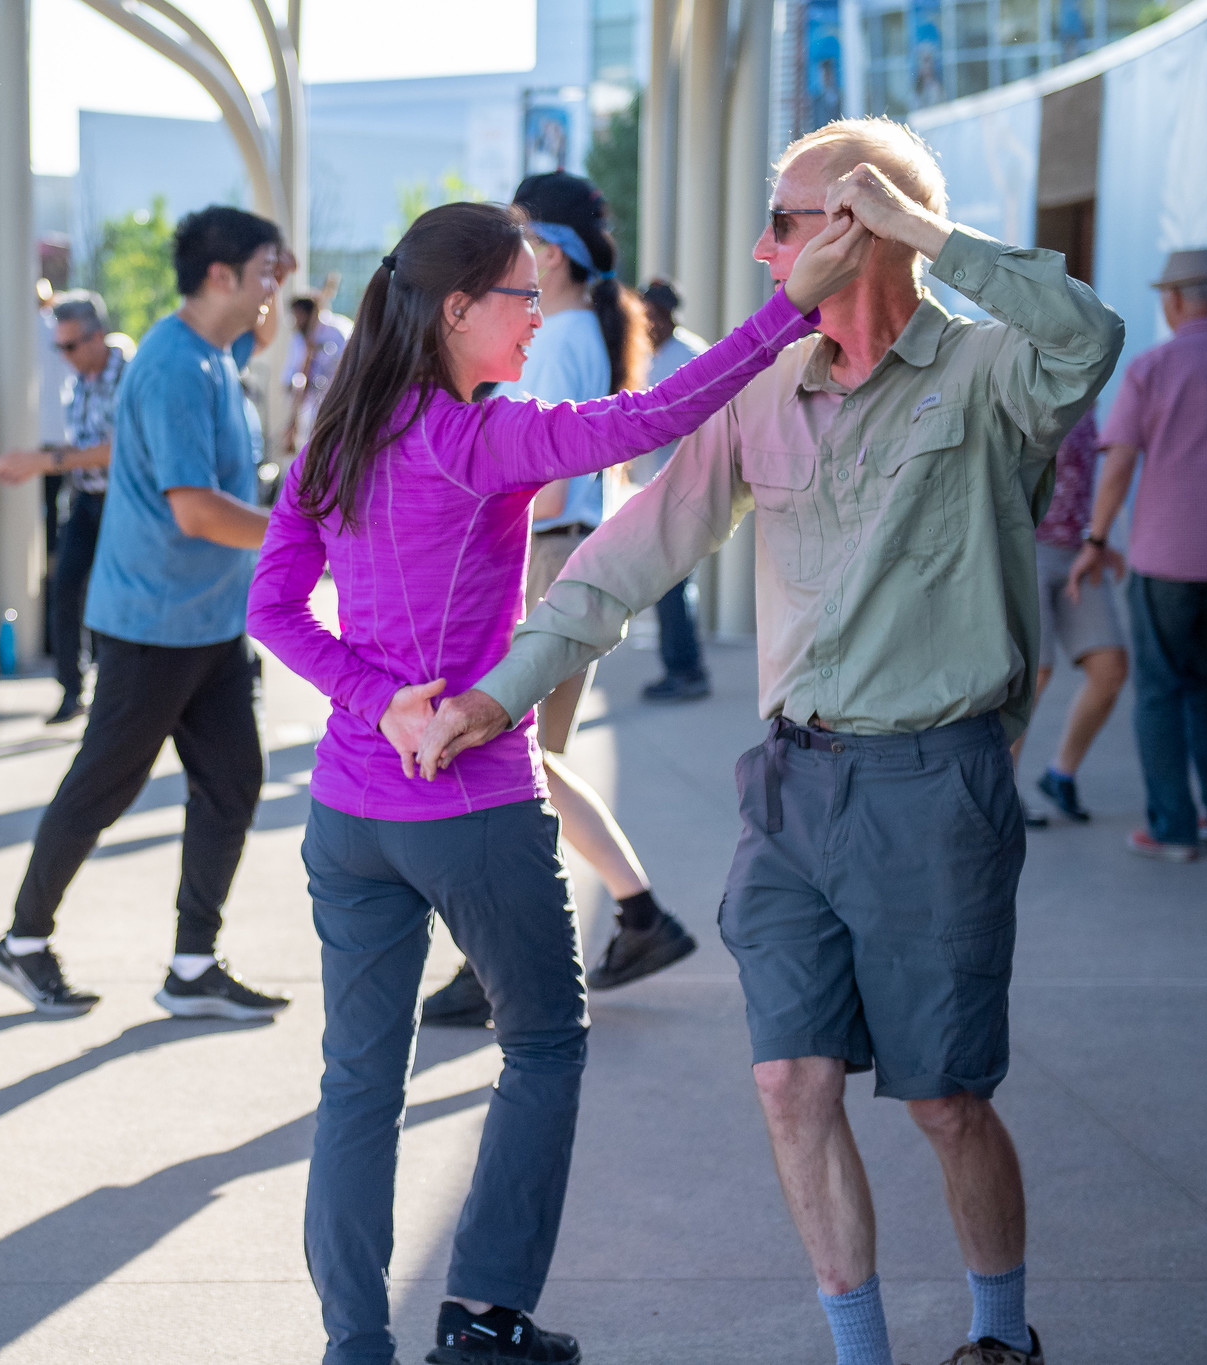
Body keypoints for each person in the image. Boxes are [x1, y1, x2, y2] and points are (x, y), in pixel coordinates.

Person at [420, 119, 1126, 1365]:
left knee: (945, 1101)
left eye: (789, 221)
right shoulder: (760, 391)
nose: (760, 247)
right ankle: (858, 1351)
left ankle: (999, 1337)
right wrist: (500, 692)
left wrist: (933, 236)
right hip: (791, 788)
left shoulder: (984, 373)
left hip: (935, 781)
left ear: (870, 227)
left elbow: (1089, 335)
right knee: (788, 1082)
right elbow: (622, 559)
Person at [251, 198, 864, 1365]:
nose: (538, 316)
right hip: (470, 806)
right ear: (456, 309)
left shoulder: (334, 438)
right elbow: (661, 411)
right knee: (540, 1045)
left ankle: (353, 1344)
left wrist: (375, 699)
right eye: (522, 296)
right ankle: (481, 1318)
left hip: (348, 814)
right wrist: (786, 314)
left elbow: (273, 611)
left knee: (356, 1083)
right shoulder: (473, 437)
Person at [0, 206, 289, 1021]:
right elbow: (195, 510)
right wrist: (312, 540)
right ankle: (21, 942)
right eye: (265, 269)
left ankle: (193, 964)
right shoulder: (172, 367)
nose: (275, 284)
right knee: (103, 784)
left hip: (209, 620)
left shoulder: (215, 355)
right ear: (221, 275)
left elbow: (247, 370)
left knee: (232, 782)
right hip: (150, 620)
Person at [420, 172, 699, 1033]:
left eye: (515, 246)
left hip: (549, 558)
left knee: (513, 766)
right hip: (567, 555)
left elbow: (537, 482)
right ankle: (617, 922)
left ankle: (611, 922)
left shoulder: (558, 337)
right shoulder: (584, 330)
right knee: (525, 764)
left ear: (545, 252)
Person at [1070, 248, 1207, 861]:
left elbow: (1117, 465)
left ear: (1172, 301)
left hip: (1167, 556)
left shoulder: (1153, 367)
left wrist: (1095, 540)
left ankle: (1172, 828)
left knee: (1160, 690)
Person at [0, 291, 128, 724]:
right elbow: (83, 447)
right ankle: (71, 690)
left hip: (122, 504)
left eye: (70, 346)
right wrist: (27, 460)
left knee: (112, 599)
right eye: (58, 346)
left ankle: (112, 694)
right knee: (64, 589)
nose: (63, 355)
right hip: (84, 498)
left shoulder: (130, 377)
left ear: (97, 336)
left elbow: (120, 450)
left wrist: (48, 461)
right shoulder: (78, 379)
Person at [1012, 411, 1127, 826]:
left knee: (1111, 669)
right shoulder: (1023, 382)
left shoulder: (1090, 399)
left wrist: (1097, 539)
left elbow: (1081, 480)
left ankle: (1060, 775)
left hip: (1077, 549)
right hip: (1026, 546)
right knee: (1034, 672)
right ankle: (1002, 790)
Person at [635, 279, 714, 701]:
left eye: (652, 315)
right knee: (669, 584)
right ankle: (682, 669)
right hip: (657, 489)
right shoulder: (655, 354)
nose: (646, 322)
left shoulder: (688, 356)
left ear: (666, 316)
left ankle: (686, 672)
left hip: (685, 488)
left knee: (673, 584)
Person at [279, 291, 351, 457]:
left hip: (337, 408)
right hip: (308, 411)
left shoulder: (338, 331)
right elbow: (290, 375)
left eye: (300, 316)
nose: (297, 321)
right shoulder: (299, 337)